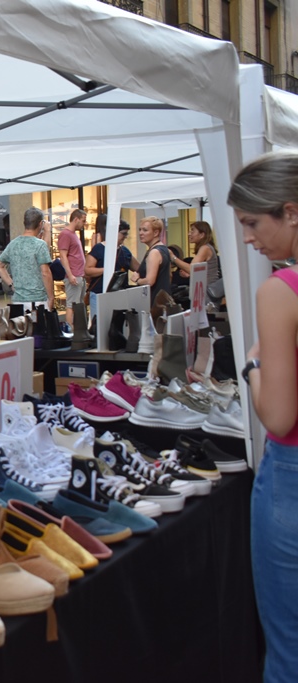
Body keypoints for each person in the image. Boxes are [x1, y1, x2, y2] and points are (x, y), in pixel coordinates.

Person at [227, 151, 298, 682]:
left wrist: (254, 364)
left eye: (253, 222)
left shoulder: (280, 293)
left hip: (292, 477)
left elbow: (276, 416)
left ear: (290, 212)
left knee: (290, 645)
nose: (249, 239)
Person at [0, 207, 54, 309]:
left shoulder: (13, 243)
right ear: (40, 224)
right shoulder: (40, 245)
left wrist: (11, 284)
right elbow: (45, 272)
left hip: (18, 300)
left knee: (20, 325)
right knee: (38, 325)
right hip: (37, 300)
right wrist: (51, 297)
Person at [85, 217, 138, 311]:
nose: (125, 236)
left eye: (127, 234)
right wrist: (106, 269)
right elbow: (87, 270)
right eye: (124, 233)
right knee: (98, 323)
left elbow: (139, 268)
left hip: (120, 294)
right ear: (114, 232)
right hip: (99, 293)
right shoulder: (99, 249)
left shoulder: (125, 251)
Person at [58, 209, 87, 330]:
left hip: (79, 274)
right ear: (76, 219)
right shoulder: (66, 234)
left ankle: (77, 329)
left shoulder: (73, 234)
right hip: (74, 274)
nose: (84, 224)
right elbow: (63, 255)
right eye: (83, 221)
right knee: (72, 304)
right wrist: (70, 275)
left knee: (78, 304)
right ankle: (70, 329)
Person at [172, 220, 222, 289]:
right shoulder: (206, 247)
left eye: (192, 231)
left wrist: (173, 257)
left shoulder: (205, 248)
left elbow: (192, 269)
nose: (189, 234)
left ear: (202, 235)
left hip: (207, 291)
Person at [135, 216, 172, 304]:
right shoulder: (163, 249)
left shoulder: (154, 252)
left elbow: (149, 281)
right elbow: (170, 275)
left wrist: (137, 280)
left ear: (156, 233)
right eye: (140, 229)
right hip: (162, 299)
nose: (140, 233)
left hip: (155, 301)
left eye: (145, 230)